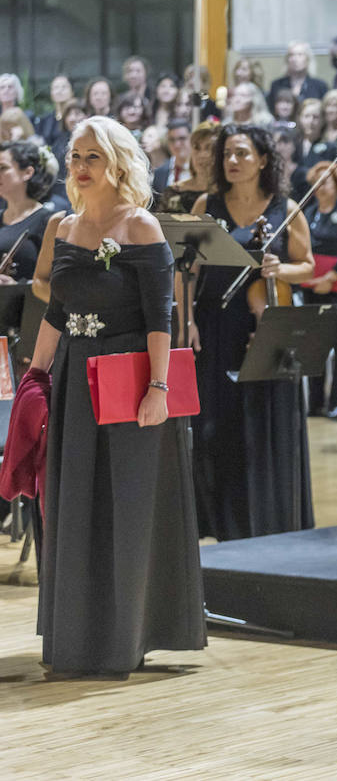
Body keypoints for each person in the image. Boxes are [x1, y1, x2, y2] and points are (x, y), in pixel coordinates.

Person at [32, 115, 204, 675]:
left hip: (129, 378)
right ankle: (78, 634)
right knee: (75, 501)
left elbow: (162, 319)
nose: (80, 168)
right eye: (75, 157)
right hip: (75, 377)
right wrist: (36, 377)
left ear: (117, 163)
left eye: (92, 158)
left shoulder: (142, 228)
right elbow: (56, 311)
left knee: (125, 506)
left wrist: (159, 388)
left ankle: (126, 635)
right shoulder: (63, 226)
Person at [189, 123, 316, 540]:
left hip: (267, 326)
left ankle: (270, 520)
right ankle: (222, 523)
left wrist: (281, 269)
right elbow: (186, 269)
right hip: (215, 325)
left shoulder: (285, 208)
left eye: (242, 153)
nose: (232, 161)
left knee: (264, 426)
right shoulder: (207, 205)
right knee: (216, 427)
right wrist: (186, 320)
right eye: (227, 154)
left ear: (263, 159)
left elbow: (308, 266)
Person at [296, 160, 337, 419]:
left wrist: (331, 277)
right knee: (314, 344)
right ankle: (315, 401)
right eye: (318, 181)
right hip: (311, 286)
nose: (321, 186)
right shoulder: (309, 213)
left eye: (327, 181)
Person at [0, 141, 57, 282]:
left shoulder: (48, 221)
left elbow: (53, 281)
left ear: (28, 172)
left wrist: (15, 286)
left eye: (3, 168)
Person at [157, 120, 217, 213]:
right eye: (197, 147)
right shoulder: (174, 192)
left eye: (209, 148)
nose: (202, 155)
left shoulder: (232, 192)